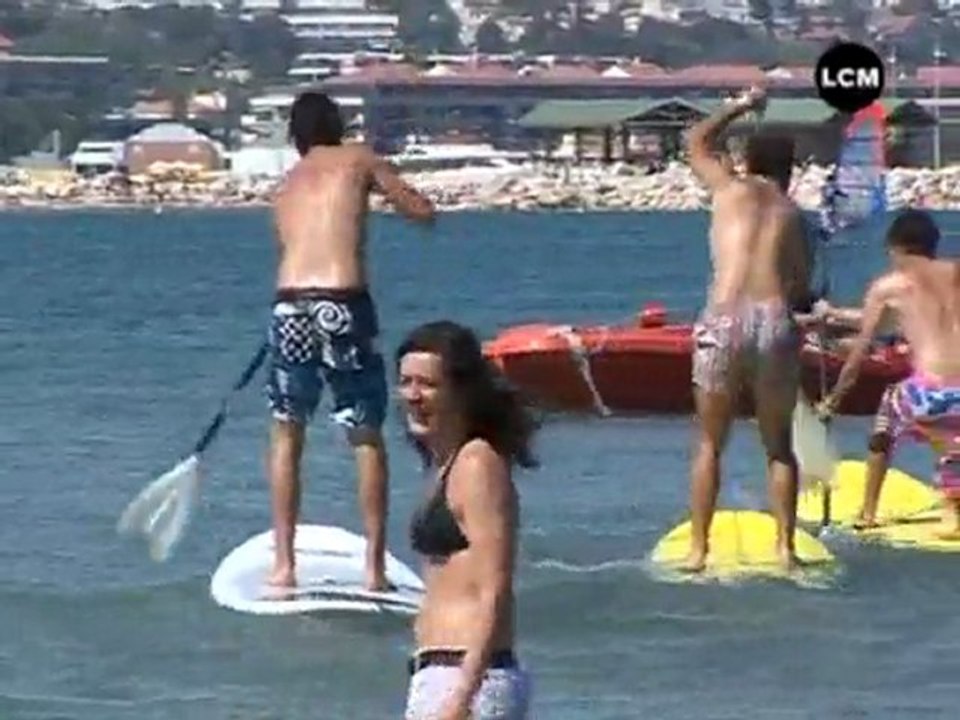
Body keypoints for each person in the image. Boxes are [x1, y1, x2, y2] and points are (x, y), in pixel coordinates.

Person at [264, 91, 435, 591]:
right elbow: (419, 211)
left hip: (288, 304)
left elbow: (291, 245)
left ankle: (284, 566)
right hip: (343, 300)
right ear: (337, 126)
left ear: (296, 135)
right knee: (364, 432)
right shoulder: (359, 158)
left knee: (287, 432)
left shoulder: (287, 183)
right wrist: (415, 206)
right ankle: (374, 570)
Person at [684, 85, 813, 572]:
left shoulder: (728, 189)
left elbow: (696, 141)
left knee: (710, 443)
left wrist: (740, 105)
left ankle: (699, 551)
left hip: (724, 316)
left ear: (744, 160)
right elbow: (799, 284)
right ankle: (785, 549)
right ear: (788, 170)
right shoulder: (791, 213)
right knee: (778, 445)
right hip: (772, 319)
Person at [396, 320, 537, 720]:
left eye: (428, 384)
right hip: (441, 674)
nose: (413, 395)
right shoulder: (445, 465)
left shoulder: (477, 464)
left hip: (469, 677)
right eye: (405, 383)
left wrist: (463, 696)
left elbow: (495, 587)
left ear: (461, 392)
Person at [819, 209, 960, 536]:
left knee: (887, 417)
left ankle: (867, 512)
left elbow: (860, 351)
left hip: (928, 396)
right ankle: (955, 506)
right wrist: (835, 314)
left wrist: (834, 399)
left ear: (896, 248)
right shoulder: (955, 273)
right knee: (953, 435)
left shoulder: (889, 287)